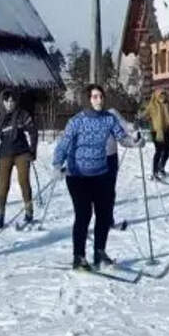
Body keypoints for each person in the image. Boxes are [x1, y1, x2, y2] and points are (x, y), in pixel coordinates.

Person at [53, 84, 142, 271]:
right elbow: (63, 145)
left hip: (101, 174)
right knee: (84, 214)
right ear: (88, 100)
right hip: (78, 176)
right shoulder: (77, 121)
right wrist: (57, 165)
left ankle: (99, 253)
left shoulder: (109, 119)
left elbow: (122, 138)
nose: (99, 100)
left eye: (101, 96)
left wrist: (135, 142)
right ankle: (79, 257)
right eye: (94, 97)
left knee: (104, 214)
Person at [0, 89, 39, 229]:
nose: (10, 104)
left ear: (16, 102)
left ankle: (28, 211)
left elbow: (33, 132)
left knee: (24, 182)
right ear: (2, 102)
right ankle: (0, 215)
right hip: (5, 154)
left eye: (12, 101)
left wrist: (33, 150)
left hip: (22, 153)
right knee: (3, 186)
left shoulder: (22, 115)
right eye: (7, 101)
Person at [141, 88, 169, 180]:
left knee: (167, 151)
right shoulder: (152, 105)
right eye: (160, 95)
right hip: (156, 131)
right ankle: (155, 171)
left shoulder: (168, 104)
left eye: (164, 94)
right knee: (159, 151)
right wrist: (141, 119)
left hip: (166, 130)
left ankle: (161, 167)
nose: (163, 96)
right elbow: (145, 114)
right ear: (156, 96)